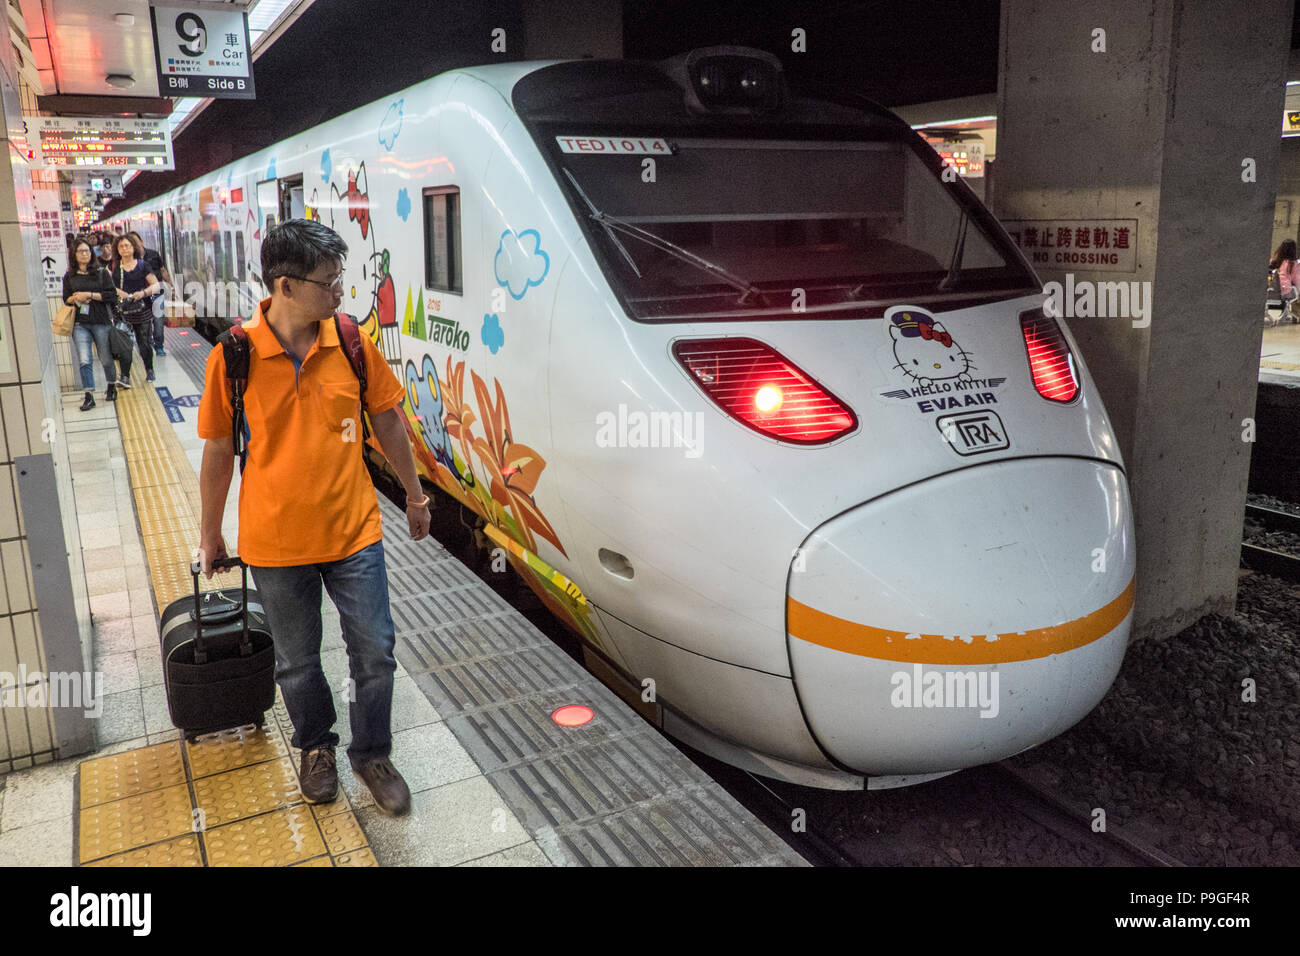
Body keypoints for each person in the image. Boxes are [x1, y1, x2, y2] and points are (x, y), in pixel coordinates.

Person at [196, 218, 431, 815]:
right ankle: (316, 747)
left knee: (374, 650)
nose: (340, 293)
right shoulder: (236, 355)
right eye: (329, 282)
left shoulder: (349, 339)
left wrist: (414, 494)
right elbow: (220, 448)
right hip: (275, 541)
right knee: (298, 663)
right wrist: (210, 534)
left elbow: (386, 420)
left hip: (354, 531)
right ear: (285, 286)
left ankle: (372, 753)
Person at [63, 236, 120, 409]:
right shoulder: (69, 276)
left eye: (87, 250)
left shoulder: (101, 273)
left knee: (105, 357)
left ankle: (111, 386)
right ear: (74, 254)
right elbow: (66, 299)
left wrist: (90, 295)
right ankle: (89, 395)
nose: (84, 254)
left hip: (101, 321)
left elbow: (112, 296)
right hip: (80, 324)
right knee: (84, 359)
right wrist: (74, 298)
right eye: (80, 251)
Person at [111, 234, 161, 383]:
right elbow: (108, 287)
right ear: (117, 250)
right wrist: (119, 292)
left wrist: (143, 293)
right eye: (121, 246)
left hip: (142, 309)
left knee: (143, 342)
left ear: (133, 247)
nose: (124, 249)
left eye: (127, 245)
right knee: (123, 344)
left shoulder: (142, 265)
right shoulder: (114, 267)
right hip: (122, 310)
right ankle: (125, 376)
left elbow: (156, 285)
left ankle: (149, 369)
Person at [127, 230, 172, 356]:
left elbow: (163, 270)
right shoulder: (130, 260)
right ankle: (149, 343)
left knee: (158, 322)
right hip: (140, 296)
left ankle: (159, 346)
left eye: (136, 242)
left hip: (156, 293)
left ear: (141, 241)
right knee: (145, 324)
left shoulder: (153, 254)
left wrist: (171, 287)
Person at [1271, 239, 1300, 321]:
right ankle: (1295, 315)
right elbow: (1297, 281)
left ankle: (1287, 313)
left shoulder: (1276, 262)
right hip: (1287, 292)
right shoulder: (1293, 264)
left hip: (1274, 292)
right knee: (1295, 291)